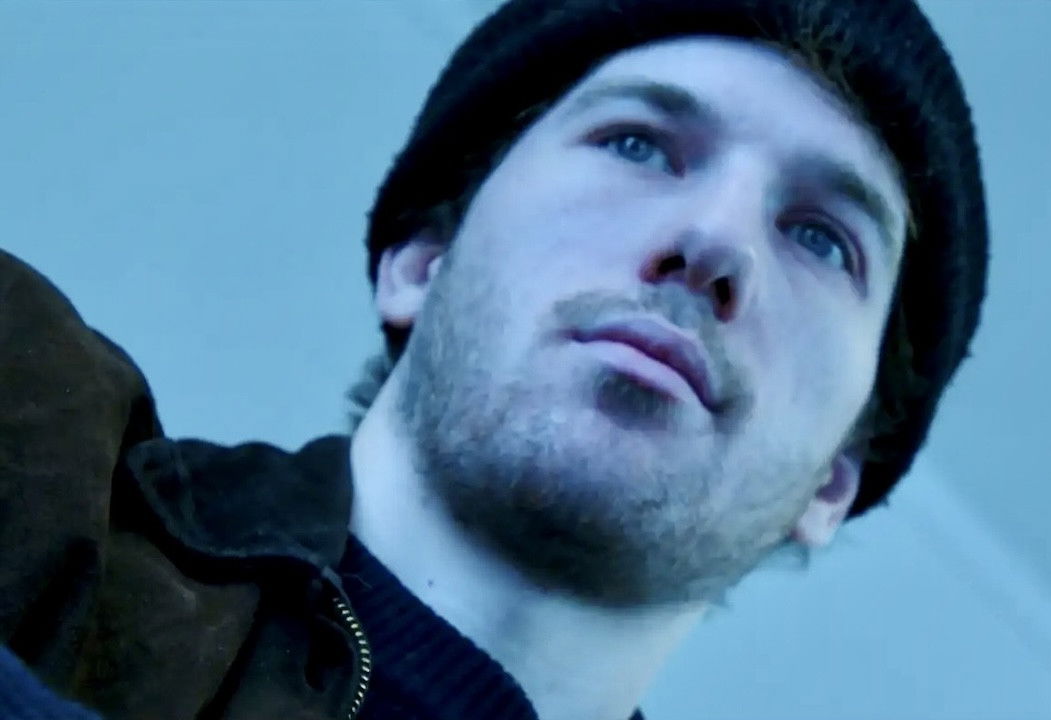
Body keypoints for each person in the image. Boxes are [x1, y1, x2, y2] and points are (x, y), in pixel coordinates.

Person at [0, 0, 988, 718]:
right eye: (638, 145)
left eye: (821, 239)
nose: (714, 240)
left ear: (834, 479)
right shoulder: (26, 418)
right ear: (422, 262)